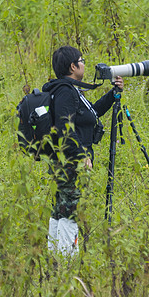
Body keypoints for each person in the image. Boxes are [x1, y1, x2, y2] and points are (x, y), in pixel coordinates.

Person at [43, 46, 123, 254]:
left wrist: (112, 94)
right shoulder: (66, 92)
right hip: (69, 160)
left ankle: (54, 257)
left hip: (63, 158)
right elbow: (64, 127)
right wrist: (82, 154)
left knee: (61, 208)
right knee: (70, 210)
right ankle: (67, 262)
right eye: (82, 60)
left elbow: (91, 114)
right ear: (73, 66)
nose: (84, 63)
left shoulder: (68, 90)